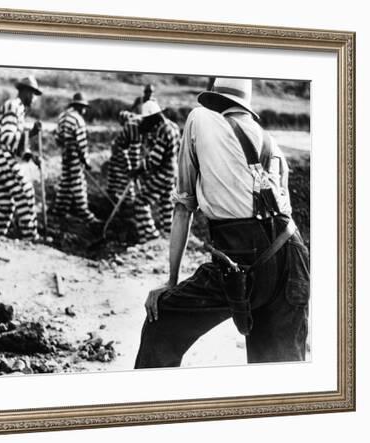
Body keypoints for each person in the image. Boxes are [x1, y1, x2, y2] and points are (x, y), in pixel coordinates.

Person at [134, 77, 310, 369]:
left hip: (243, 255)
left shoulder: (199, 118)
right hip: (293, 257)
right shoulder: (271, 141)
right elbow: (283, 211)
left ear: (215, 99)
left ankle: (146, 409)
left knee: (161, 319)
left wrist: (171, 281)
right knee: (277, 373)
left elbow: (183, 208)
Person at [0, 76, 43, 240]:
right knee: (25, 191)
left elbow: (18, 145)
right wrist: (30, 133)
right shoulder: (12, 107)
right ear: (25, 92)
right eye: (33, 93)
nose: (34, 98)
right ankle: (30, 237)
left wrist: (31, 156)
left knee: (6, 202)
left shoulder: (19, 110)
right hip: (0, 153)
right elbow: (8, 138)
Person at [131, 101, 181, 243]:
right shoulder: (174, 126)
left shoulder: (164, 130)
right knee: (166, 206)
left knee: (140, 201)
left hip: (163, 174)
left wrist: (138, 170)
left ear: (154, 117)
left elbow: (155, 159)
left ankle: (151, 237)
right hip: (172, 173)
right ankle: (169, 238)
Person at [52, 92, 99, 223]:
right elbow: (81, 144)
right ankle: (85, 213)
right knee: (78, 183)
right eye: (84, 107)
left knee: (66, 183)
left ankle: (59, 210)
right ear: (80, 106)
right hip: (74, 157)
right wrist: (86, 161)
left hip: (65, 156)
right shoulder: (78, 120)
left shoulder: (62, 117)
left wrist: (65, 148)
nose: (84, 110)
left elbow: (58, 139)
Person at [106, 110, 143, 204]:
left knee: (126, 177)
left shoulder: (131, 126)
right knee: (126, 176)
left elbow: (125, 147)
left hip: (126, 156)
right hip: (128, 155)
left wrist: (129, 165)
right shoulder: (135, 124)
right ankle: (124, 197)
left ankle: (128, 200)